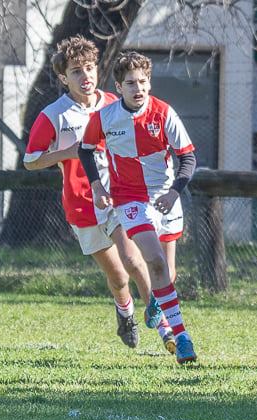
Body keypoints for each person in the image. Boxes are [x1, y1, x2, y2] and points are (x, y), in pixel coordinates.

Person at [79, 51, 197, 364]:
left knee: (168, 273)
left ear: (149, 82)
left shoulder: (164, 113)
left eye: (143, 81)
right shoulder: (105, 118)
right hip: (129, 199)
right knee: (154, 262)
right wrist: (97, 186)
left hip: (165, 197)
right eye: (130, 82)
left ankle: (157, 302)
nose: (138, 88)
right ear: (119, 87)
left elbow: (188, 158)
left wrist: (174, 192)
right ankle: (182, 337)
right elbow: (85, 150)